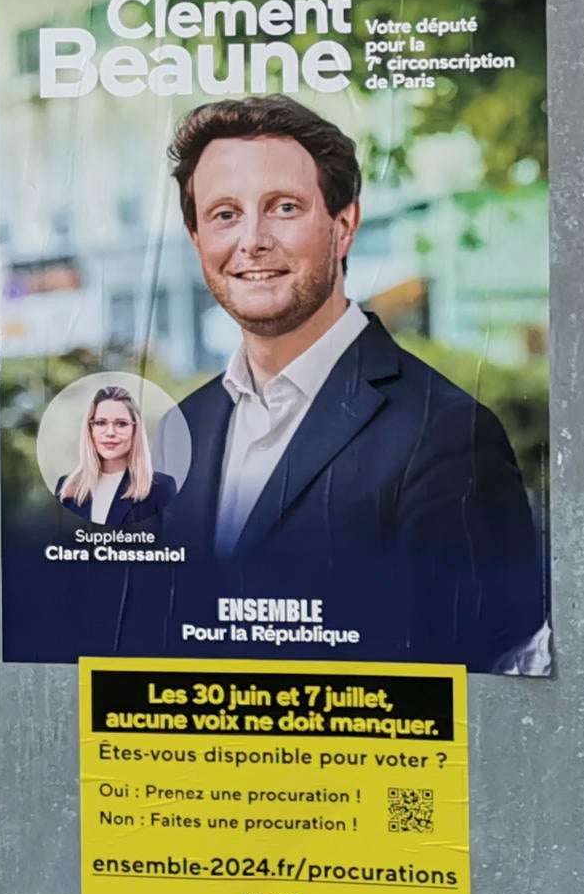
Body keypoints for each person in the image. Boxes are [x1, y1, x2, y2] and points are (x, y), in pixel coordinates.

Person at [158, 94, 547, 673]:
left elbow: (481, 683)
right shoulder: (180, 430)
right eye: (225, 214)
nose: (253, 240)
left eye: (284, 207)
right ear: (197, 239)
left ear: (344, 226)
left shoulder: (447, 435)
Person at [54, 385, 176, 525]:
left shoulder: (160, 488)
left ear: (135, 429)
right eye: (101, 423)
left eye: (121, 424)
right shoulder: (67, 488)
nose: (110, 432)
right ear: (90, 429)